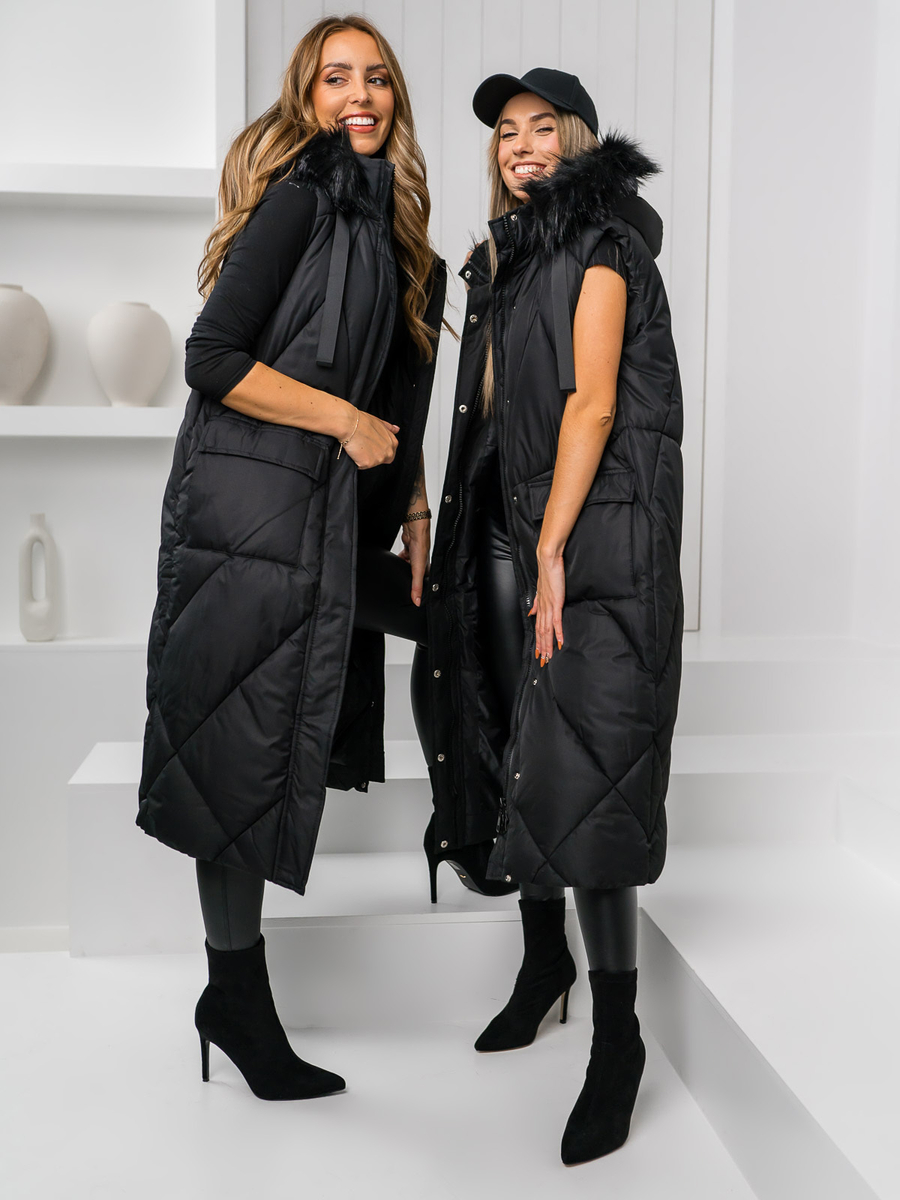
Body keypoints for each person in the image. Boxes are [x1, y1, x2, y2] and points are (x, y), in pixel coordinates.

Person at [135, 15, 452, 1102]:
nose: (360, 94)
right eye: (336, 78)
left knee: (457, 624)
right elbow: (211, 356)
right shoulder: (305, 200)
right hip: (253, 510)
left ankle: (474, 833)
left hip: (331, 516)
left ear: (396, 99)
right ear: (307, 98)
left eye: (378, 78)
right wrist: (346, 426)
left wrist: (416, 502)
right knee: (240, 742)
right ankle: (235, 997)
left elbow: (389, 392)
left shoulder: (397, 234)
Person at [425, 68, 684, 1164]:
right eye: (506, 132)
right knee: (512, 744)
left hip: (589, 533)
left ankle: (619, 1038)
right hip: (503, 521)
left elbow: (593, 402)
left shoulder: (606, 242)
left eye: (542, 128)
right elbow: (489, 407)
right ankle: (545, 963)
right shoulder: (510, 258)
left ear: (578, 141)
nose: (521, 145)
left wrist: (549, 550)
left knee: (592, 771)